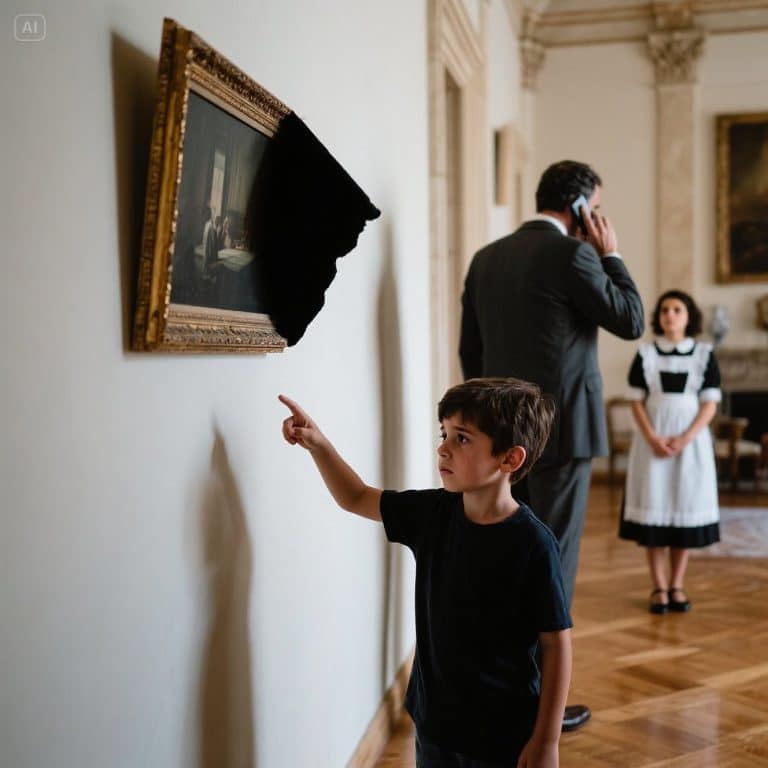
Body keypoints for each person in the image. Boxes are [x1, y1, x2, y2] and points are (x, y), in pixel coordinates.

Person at [279, 378, 572, 767]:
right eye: (443, 433)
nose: (443, 448)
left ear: (509, 459)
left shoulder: (533, 544)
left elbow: (555, 644)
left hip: (503, 733)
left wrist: (547, 741)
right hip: (435, 725)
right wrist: (319, 445)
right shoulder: (432, 514)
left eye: (462, 439)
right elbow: (356, 496)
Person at [459, 160, 644, 732]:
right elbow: (631, 319)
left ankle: (498, 691)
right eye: (596, 208)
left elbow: (471, 353)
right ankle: (540, 709)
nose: (599, 219)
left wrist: (493, 422)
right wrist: (611, 255)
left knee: (505, 559)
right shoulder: (575, 256)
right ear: (580, 207)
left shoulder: (485, 259)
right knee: (552, 564)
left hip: (500, 439)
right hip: (563, 437)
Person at [619, 290, 721, 613]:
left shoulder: (704, 354)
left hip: (690, 445)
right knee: (656, 510)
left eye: (677, 309)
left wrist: (685, 438)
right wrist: (653, 437)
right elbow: (636, 401)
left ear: (689, 316)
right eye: (665, 309)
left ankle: (677, 584)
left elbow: (709, 404)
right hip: (652, 444)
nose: (670, 315)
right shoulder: (646, 354)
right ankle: (659, 586)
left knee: (683, 510)